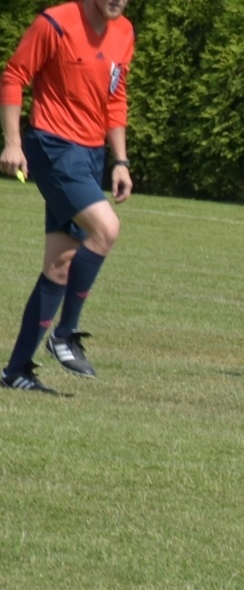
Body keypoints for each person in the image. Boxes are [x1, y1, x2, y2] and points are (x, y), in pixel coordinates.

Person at [0, 0, 135, 394]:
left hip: (91, 154)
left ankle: (16, 370)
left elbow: (115, 97)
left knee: (59, 265)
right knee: (107, 228)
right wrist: (12, 143)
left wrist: (121, 161)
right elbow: (13, 75)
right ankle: (64, 334)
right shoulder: (55, 23)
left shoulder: (124, 32)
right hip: (53, 146)